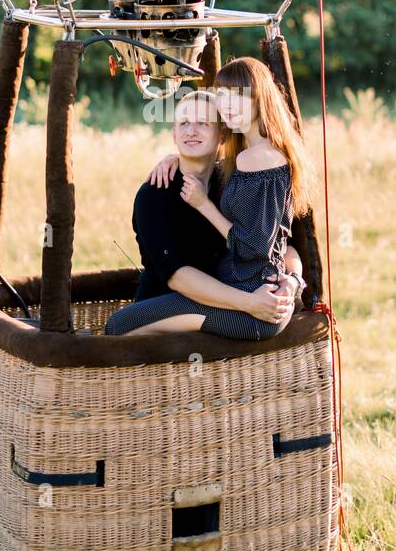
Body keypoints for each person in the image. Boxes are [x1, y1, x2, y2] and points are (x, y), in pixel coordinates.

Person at [105, 59, 311, 340]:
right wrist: (250, 303)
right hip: (195, 300)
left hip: (244, 303)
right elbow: (180, 278)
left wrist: (293, 282)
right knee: (118, 326)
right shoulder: (155, 195)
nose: (191, 131)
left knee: (117, 326)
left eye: (203, 123)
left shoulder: (237, 177)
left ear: (222, 134)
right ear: (174, 134)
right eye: (184, 124)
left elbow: (281, 244)